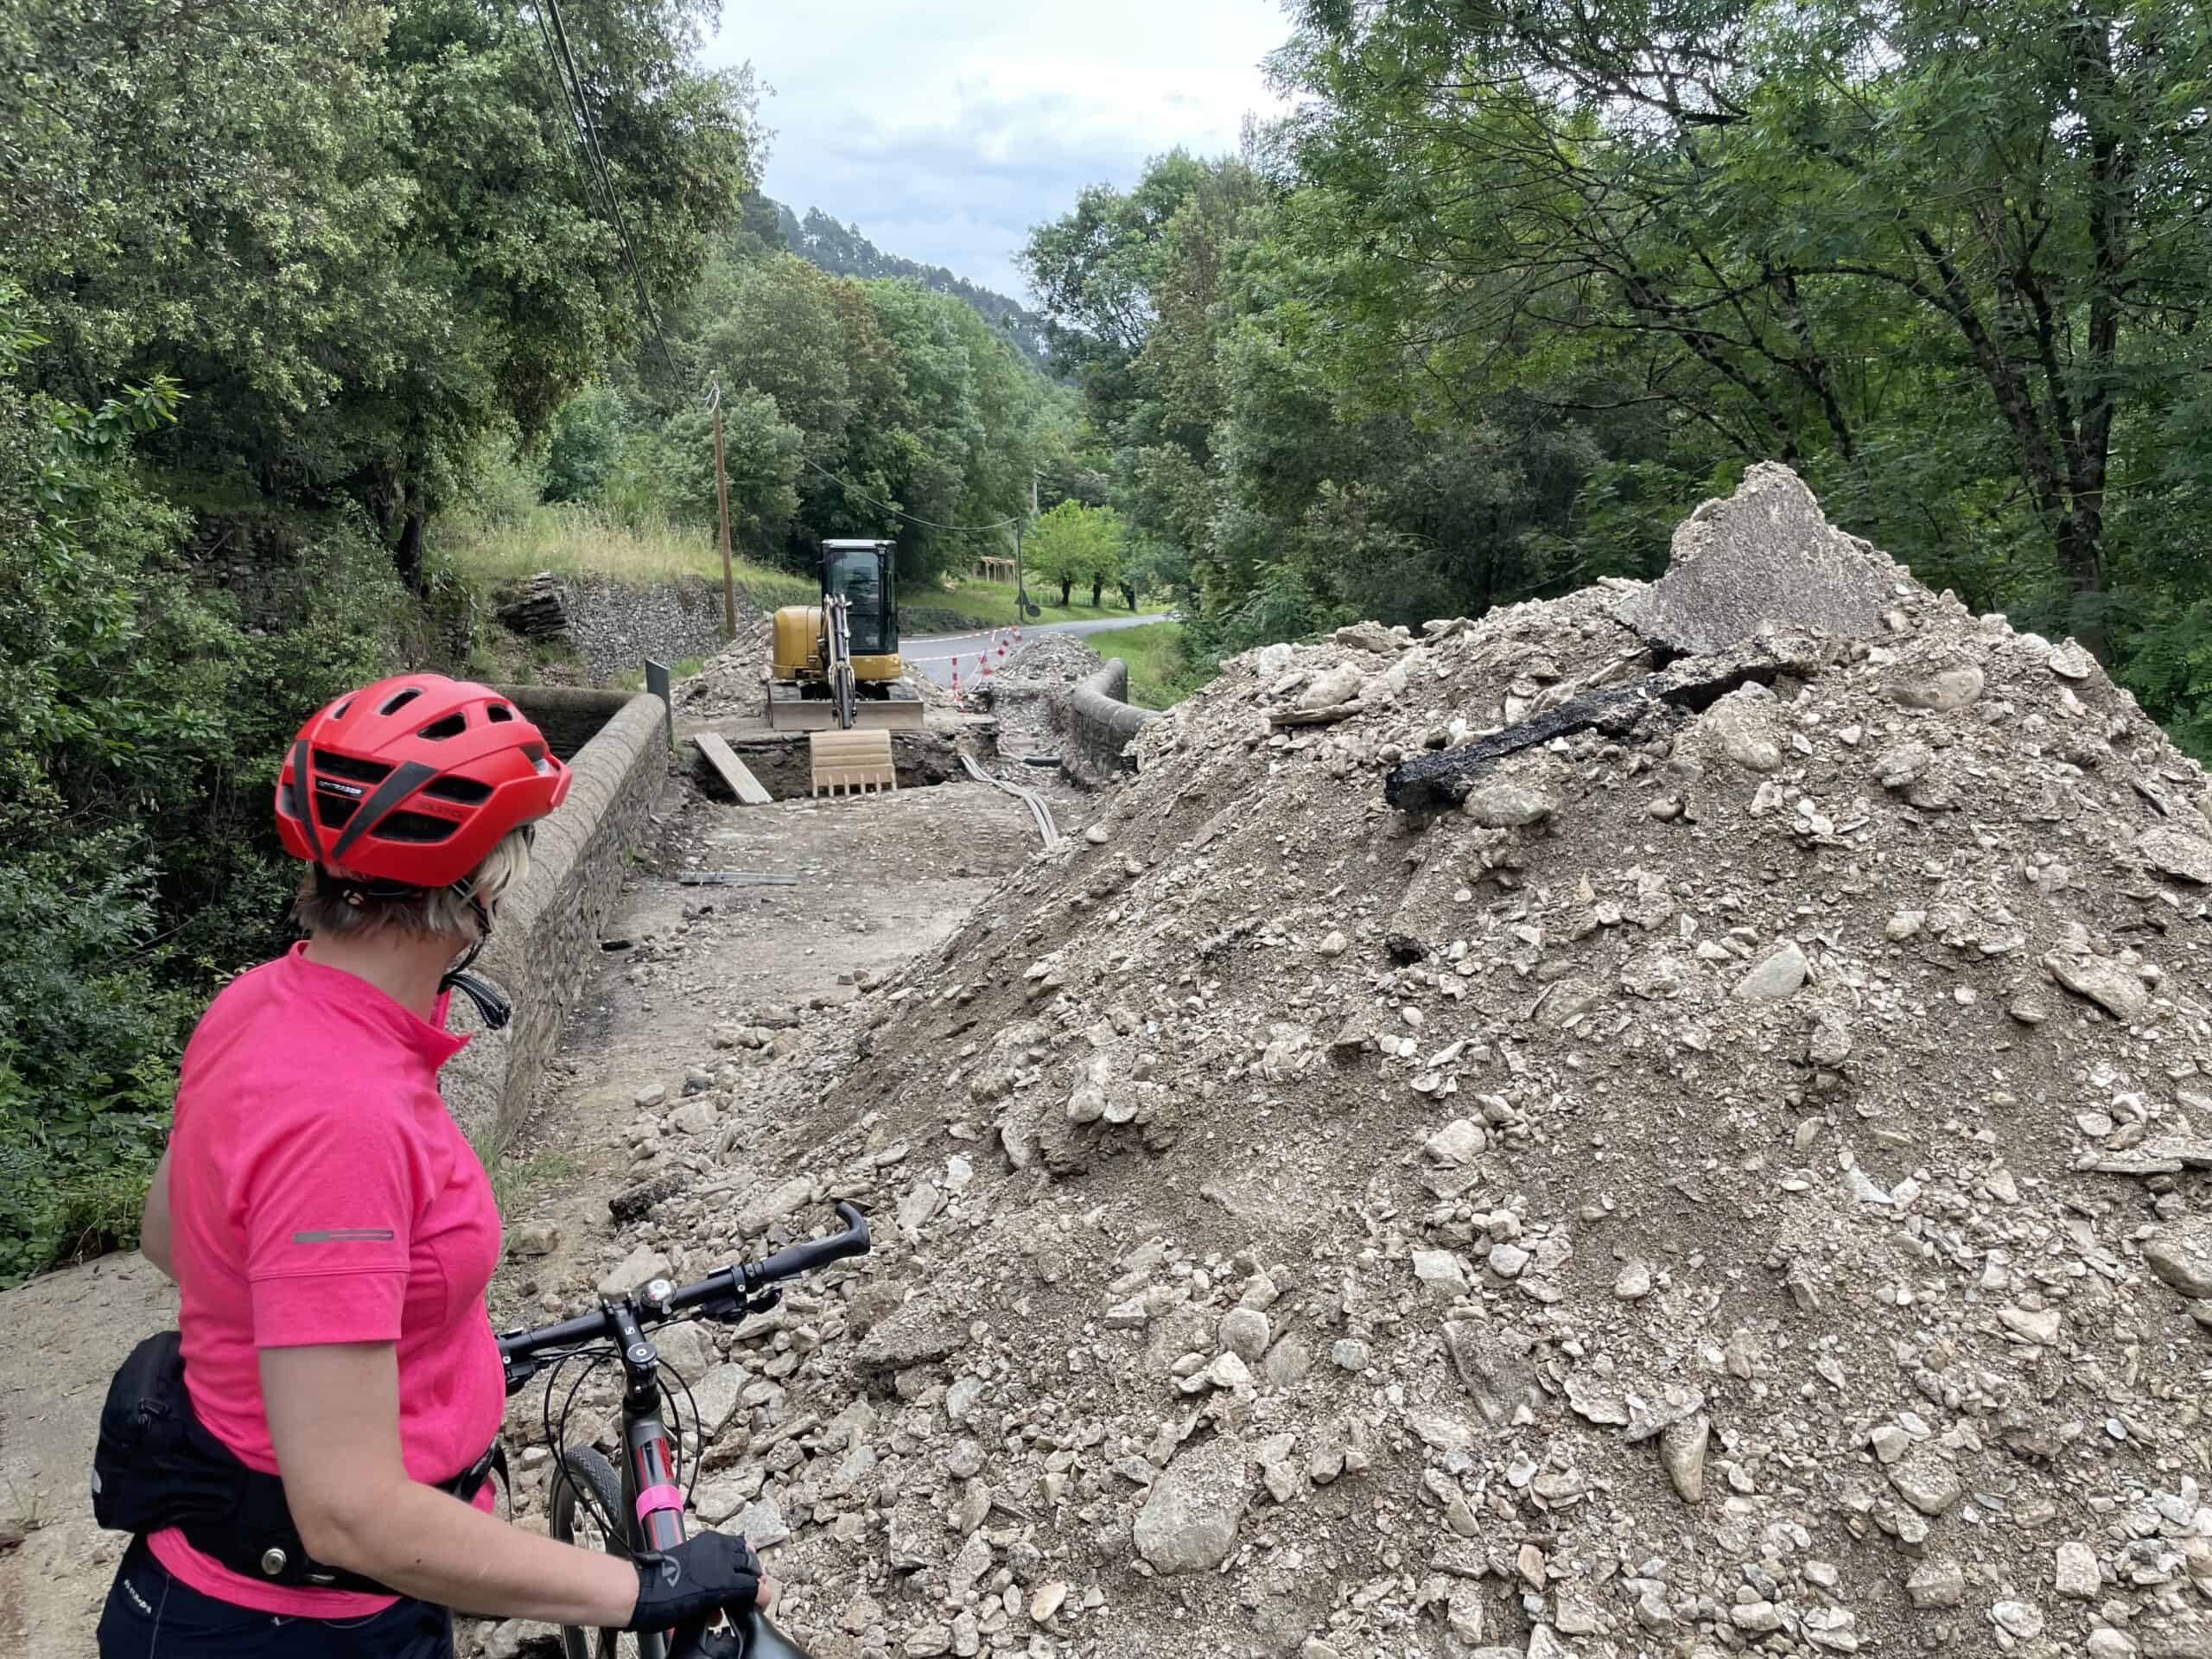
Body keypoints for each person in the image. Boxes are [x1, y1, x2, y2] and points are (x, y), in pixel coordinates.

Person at [100, 674, 766, 1657]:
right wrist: (642, 1586)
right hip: (297, 1627)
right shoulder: (345, 1115)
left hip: (266, 1593)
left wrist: (397, 1343)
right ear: (481, 887)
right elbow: (351, 1513)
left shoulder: (259, 1003)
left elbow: (177, 1240)